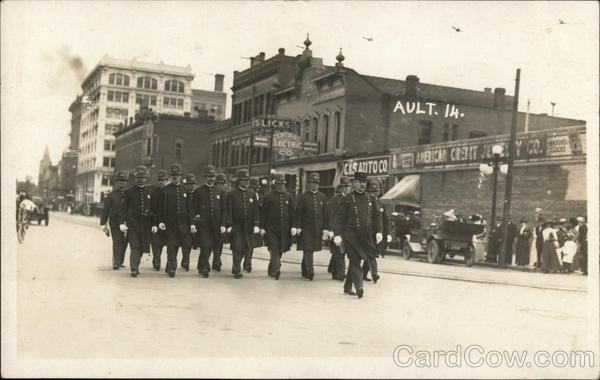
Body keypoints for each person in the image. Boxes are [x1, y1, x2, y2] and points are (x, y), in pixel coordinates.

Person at [333, 171, 382, 299]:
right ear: (354, 183)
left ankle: (347, 286)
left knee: (358, 260)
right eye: (359, 182)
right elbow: (339, 218)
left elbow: (377, 217)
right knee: (355, 260)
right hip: (350, 235)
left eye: (364, 182)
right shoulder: (347, 199)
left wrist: (379, 231)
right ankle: (359, 287)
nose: (362, 185)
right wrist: (337, 234)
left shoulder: (370, 198)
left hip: (364, 236)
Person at [157, 164, 196, 278]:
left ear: (180, 176)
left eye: (177, 175)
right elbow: (160, 208)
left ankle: (170, 264)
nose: (175, 177)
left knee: (178, 245)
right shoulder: (165, 190)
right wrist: (160, 221)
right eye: (173, 175)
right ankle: (172, 267)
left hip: (183, 225)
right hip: (170, 224)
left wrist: (192, 223)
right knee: (171, 246)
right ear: (170, 176)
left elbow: (190, 209)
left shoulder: (185, 191)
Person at [224, 169, 260, 279]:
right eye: (244, 180)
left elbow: (256, 211)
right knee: (237, 248)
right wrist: (229, 224)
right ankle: (236, 269)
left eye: (247, 180)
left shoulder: (252, 194)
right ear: (239, 181)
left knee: (247, 247)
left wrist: (256, 224)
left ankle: (244, 265)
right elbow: (228, 210)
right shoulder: (232, 194)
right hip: (237, 226)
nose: (246, 182)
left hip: (249, 226)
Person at [193, 165, 226, 278]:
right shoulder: (198, 191)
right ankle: (205, 267)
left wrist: (222, 224)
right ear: (205, 177)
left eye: (212, 176)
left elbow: (223, 209)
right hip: (203, 224)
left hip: (215, 225)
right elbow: (193, 208)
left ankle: (200, 265)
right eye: (208, 176)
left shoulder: (219, 192)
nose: (211, 178)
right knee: (205, 246)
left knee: (211, 246)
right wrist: (195, 221)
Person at [261, 174, 295, 280]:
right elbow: (263, 213)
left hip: (284, 229)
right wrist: (262, 227)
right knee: (274, 248)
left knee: (280, 249)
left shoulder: (289, 196)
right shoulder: (268, 197)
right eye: (279, 184)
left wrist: (293, 226)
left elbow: (292, 213)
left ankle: (271, 268)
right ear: (275, 184)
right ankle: (277, 269)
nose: (281, 186)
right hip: (271, 228)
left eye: (283, 184)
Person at [120, 166, 153, 277]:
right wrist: (123, 222)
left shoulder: (149, 193)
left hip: (144, 224)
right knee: (134, 246)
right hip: (132, 223)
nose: (140, 179)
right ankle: (133, 268)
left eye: (142, 177)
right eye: (138, 177)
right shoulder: (129, 192)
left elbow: (152, 209)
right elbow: (123, 208)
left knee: (142, 247)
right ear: (135, 178)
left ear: (146, 179)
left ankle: (136, 266)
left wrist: (153, 224)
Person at [295, 172, 328, 281]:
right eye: (312, 183)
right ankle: (311, 270)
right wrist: (298, 226)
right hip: (306, 228)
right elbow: (298, 213)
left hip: (317, 229)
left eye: (316, 183)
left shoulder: (322, 197)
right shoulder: (303, 197)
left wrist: (325, 229)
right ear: (308, 184)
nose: (314, 185)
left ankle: (305, 268)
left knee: (310, 249)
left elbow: (325, 214)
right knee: (308, 249)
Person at [100, 171, 128, 270]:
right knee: (117, 241)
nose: (122, 183)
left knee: (124, 242)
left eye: (124, 181)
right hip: (115, 222)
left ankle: (120, 261)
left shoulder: (129, 194)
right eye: (120, 181)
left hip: (126, 222)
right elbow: (106, 210)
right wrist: (103, 223)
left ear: (126, 182)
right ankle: (116, 262)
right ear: (116, 182)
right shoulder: (111, 195)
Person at [362, 179, 388, 283]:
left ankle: (363, 274)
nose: (374, 194)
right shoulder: (364, 202)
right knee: (371, 254)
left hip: (376, 234)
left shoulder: (381, 204)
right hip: (366, 232)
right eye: (372, 192)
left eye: (376, 191)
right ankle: (374, 274)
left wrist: (387, 233)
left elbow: (385, 220)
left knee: (371, 254)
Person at [326, 176, 349, 281]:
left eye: (347, 186)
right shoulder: (335, 199)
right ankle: (341, 274)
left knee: (339, 252)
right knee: (339, 252)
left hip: (346, 229)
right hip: (336, 228)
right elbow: (331, 215)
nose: (346, 188)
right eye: (344, 187)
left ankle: (333, 270)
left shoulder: (350, 198)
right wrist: (331, 229)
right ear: (340, 188)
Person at [150, 169, 169, 271]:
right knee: (156, 242)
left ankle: (162, 261)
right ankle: (156, 261)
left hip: (167, 221)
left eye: (163, 180)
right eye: (159, 180)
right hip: (155, 220)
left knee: (165, 242)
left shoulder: (169, 191)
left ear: (166, 180)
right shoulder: (153, 192)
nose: (160, 182)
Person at [243, 177, 263, 273]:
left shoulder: (260, 197)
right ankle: (245, 262)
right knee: (243, 244)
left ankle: (248, 263)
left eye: (256, 188)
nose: (255, 190)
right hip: (245, 224)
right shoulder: (245, 196)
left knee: (251, 245)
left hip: (255, 224)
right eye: (253, 188)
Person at [180, 173, 197, 271]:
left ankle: (185, 260)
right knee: (186, 242)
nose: (192, 186)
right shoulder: (182, 193)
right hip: (184, 221)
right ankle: (186, 261)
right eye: (189, 184)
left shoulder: (196, 194)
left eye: (193, 184)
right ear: (185, 185)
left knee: (190, 243)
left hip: (195, 221)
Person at [211, 173, 228, 271]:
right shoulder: (212, 192)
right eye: (220, 184)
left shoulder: (226, 194)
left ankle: (216, 261)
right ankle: (215, 260)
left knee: (219, 243)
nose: (222, 186)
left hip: (222, 222)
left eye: (223, 184)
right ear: (216, 183)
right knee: (211, 243)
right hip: (212, 222)